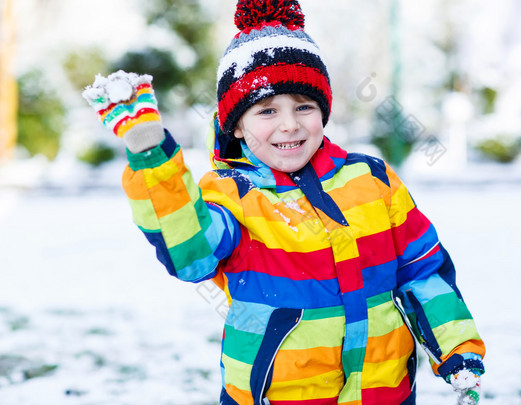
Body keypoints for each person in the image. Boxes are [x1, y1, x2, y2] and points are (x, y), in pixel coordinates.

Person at [83, 1, 485, 404]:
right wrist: (154, 162)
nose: (289, 124)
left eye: (304, 107)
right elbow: (191, 254)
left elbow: (422, 271)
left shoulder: (372, 180)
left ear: (323, 113)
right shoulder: (232, 193)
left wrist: (458, 349)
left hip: (382, 391)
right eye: (267, 110)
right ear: (236, 124)